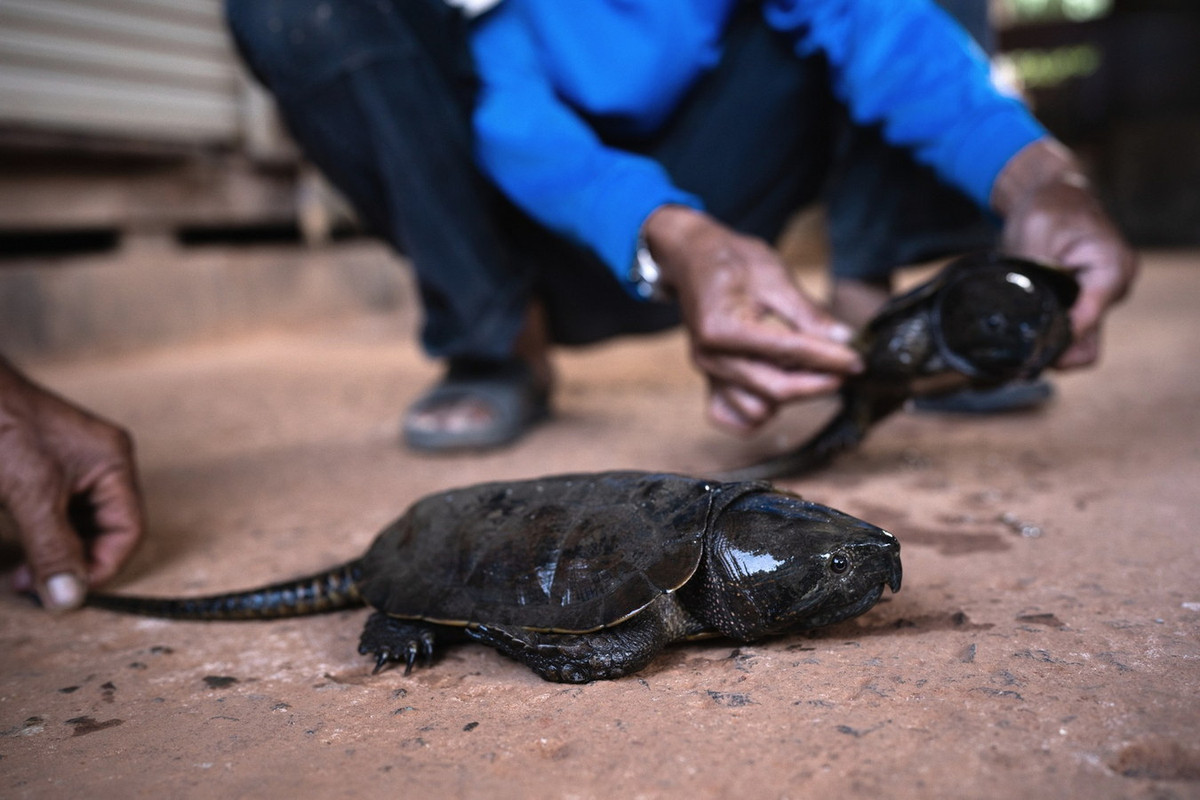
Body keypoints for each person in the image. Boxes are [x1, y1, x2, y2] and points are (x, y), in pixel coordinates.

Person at [1, 0, 1135, 610]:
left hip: (722, 184)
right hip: (561, 232)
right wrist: (674, 235)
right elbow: (508, 117)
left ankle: (880, 327)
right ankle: (493, 338)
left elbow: (878, 29)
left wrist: (1043, 177)